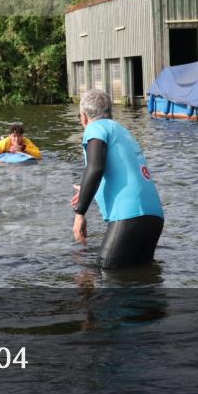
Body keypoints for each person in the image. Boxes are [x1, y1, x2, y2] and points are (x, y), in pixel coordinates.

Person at [70, 89, 164, 269]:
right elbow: (120, 169)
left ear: (83, 117)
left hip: (129, 216)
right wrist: (86, 191)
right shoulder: (122, 131)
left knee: (108, 276)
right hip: (154, 217)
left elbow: (95, 167)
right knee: (142, 279)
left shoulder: (95, 127)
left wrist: (80, 213)